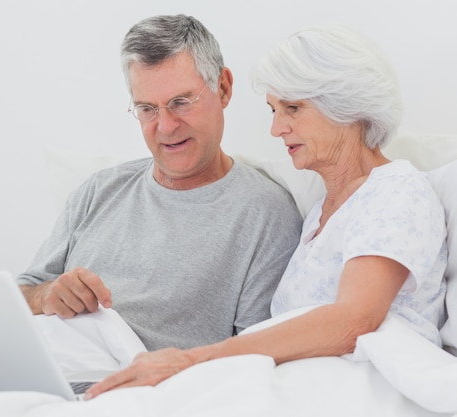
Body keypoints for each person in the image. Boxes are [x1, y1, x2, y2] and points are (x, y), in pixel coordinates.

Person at [84, 24, 448, 399]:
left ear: (349, 107)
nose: (276, 128)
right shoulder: (321, 213)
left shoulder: (396, 190)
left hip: (364, 392)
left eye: (293, 108)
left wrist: (191, 361)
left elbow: (353, 321)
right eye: (274, 109)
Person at [17, 14, 302, 352]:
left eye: (181, 103)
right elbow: (18, 296)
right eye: (147, 109)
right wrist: (45, 295)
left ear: (223, 88)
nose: (166, 127)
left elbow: (255, 355)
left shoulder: (266, 214)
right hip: (39, 366)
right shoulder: (99, 190)